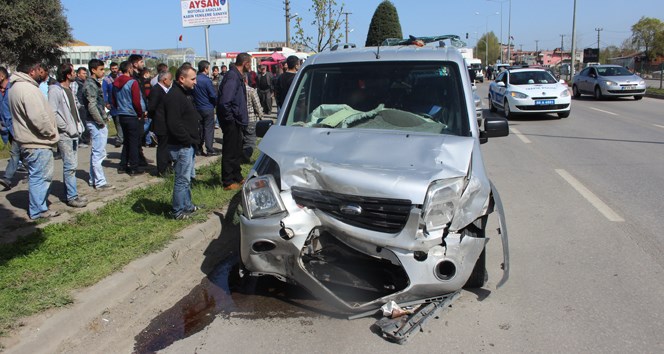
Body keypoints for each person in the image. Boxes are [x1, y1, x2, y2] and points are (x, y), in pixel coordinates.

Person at [8, 61, 60, 219]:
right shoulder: (28, 89)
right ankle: (39, 209)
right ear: (32, 71)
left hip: (28, 140)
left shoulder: (16, 88)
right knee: (41, 176)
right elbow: (38, 117)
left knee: (37, 175)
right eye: (40, 70)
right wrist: (51, 132)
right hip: (37, 141)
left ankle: (38, 207)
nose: (42, 73)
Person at [164, 64, 201, 219]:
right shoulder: (174, 96)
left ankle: (187, 205)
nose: (195, 82)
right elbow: (174, 123)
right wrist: (187, 141)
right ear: (181, 78)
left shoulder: (184, 93)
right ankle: (178, 211)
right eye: (192, 79)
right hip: (181, 145)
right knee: (182, 179)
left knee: (187, 179)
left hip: (187, 144)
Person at [48, 63, 88, 208]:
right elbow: (52, 113)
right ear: (67, 74)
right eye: (73, 72)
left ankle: (71, 193)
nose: (75, 74)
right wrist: (65, 127)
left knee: (73, 165)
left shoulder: (69, 89)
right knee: (70, 165)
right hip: (65, 134)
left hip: (74, 132)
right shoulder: (55, 90)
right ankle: (71, 197)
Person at [218, 53, 251, 191]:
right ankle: (228, 181)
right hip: (232, 121)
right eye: (250, 63)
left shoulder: (238, 76)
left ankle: (236, 175)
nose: (250, 66)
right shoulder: (232, 76)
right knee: (230, 151)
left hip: (237, 120)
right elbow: (225, 101)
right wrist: (231, 119)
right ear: (245, 63)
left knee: (237, 150)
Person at [82, 59, 113, 190]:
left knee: (97, 152)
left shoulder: (94, 83)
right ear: (93, 70)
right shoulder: (90, 85)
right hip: (95, 122)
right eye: (101, 69)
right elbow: (92, 105)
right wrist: (100, 121)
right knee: (98, 153)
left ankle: (93, 179)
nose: (103, 72)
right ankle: (99, 182)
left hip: (96, 121)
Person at [113, 61, 146, 176]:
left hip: (121, 114)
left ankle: (122, 165)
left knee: (127, 141)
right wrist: (140, 113)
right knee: (133, 141)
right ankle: (134, 167)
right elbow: (136, 101)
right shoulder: (132, 82)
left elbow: (113, 99)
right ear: (129, 69)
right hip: (131, 114)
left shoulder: (116, 82)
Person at [0, 66, 25, 191]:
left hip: (16, 126)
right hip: (5, 129)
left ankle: (7, 178)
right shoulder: (1, 91)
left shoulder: (13, 88)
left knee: (15, 153)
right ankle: (34, 172)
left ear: (2, 76)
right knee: (22, 154)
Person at [148, 70, 172, 176]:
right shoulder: (156, 90)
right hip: (160, 122)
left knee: (167, 146)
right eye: (170, 79)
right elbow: (152, 107)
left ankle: (168, 166)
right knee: (163, 147)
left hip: (165, 122)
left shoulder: (164, 90)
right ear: (164, 79)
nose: (171, 82)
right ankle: (162, 170)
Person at [192, 60, 218, 156]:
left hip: (198, 107)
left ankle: (199, 149)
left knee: (200, 129)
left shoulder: (195, 79)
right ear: (205, 69)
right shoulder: (207, 80)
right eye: (208, 68)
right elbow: (212, 95)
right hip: (207, 107)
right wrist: (215, 103)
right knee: (209, 129)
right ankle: (210, 149)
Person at [102, 62, 123, 148]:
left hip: (122, 103)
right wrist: (106, 102)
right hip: (113, 104)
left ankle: (123, 137)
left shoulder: (121, 77)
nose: (114, 70)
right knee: (117, 121)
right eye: (113, 68)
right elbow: (104, 92)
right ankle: (120, 138)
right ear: (110, 69)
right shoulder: (107, 80)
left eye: (116, 68)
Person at [243, 76, 263, 162]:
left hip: (240, 119)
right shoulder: (251, 90)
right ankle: (245, 156)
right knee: (251, 140)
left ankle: (242, 156)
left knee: (243, 139)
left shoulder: (235, 90)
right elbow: (257, 104)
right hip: (250, 118)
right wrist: (261, 115)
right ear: (246, 80)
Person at [71, 67, 89, 146]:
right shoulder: (75, 83)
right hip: (80, 106)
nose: (85, 75)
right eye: (83, 73)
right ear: (78, 74)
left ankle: (86, 139)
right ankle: (82, 140)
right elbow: (73, 95)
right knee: (82, 123)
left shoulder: (85, 82)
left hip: (85, 105)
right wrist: (78, 105)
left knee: (86, 123)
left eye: (86, 73)